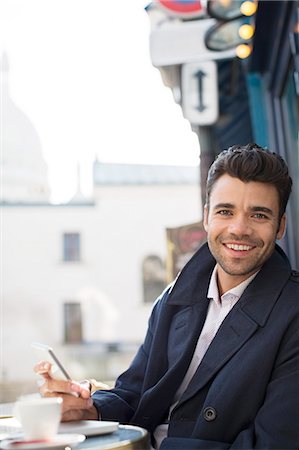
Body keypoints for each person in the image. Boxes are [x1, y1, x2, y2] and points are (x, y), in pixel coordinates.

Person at [35, 143, 299, 449]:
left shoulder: (292, 313)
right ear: (206, 218)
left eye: (259, 215)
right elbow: (135, 392)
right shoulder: (174, 298)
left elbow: (274, 444)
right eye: (225, 211)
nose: (239, 229)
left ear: (280, 226)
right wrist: (89, 408)